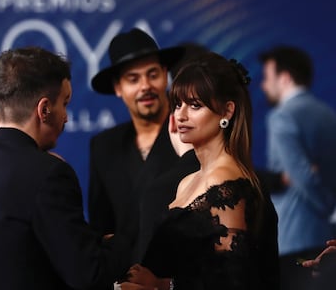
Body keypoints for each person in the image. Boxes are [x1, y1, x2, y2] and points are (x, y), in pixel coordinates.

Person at [0, 47, 134, 290]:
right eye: (64, 103)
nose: (66, 117)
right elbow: (89, 274)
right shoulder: (50, 175)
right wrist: (123, 241)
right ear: (44, 109)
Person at [123, 52, 279, 290]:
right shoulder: (186, 182)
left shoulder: (227, 183)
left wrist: (161, 288)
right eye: (178, 104)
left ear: (227, 111)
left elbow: (233, 282)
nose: (181, 115)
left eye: (195, 105)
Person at [88, 28, 188, 265]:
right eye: (133, 79)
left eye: (152, 74)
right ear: (118, 88)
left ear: (166, 75)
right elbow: (100, 227)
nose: (145, 86)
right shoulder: (103, 146)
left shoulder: (190, 135)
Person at [259, 46, 336, 289]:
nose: (263, 85)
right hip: (325, 236)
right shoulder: (328, 114)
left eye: (267, 77)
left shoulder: (282, 116)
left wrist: (325, 203)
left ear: (285, 78)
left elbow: (299, 175)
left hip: (294, 237)